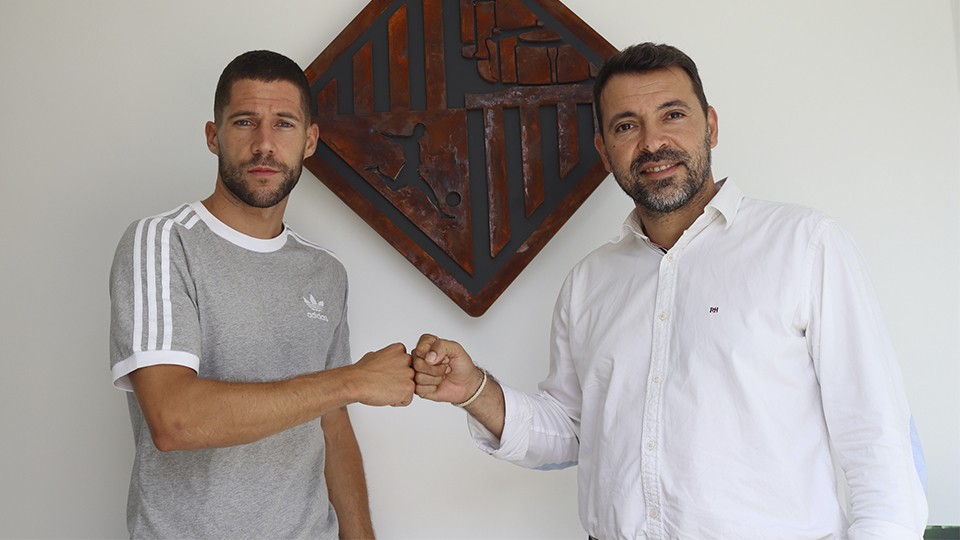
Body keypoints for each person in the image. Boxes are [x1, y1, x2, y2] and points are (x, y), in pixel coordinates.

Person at [413, 42, 928, 539]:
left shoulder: (805, 245)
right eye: (626, 126)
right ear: (604, 150)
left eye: (673, 115)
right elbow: (573, 430)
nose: (652, 142)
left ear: (712, 126)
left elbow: (877, 437)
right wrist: (474, 390)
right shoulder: (589, 282)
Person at [109, 50, 415, 539]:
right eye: (245, 122)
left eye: (284, 124)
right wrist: (353, 380)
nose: (264, 144)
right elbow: (174, 420)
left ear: (310, 141)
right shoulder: (163, 242)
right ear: (213, 136)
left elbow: (332, 423)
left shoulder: (325, 272)